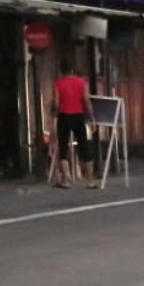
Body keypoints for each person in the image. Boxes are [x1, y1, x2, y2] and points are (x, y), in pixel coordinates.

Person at [51, 60, 97, 189]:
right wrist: (92, 118)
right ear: (72, 70)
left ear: (61, 70)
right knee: (84, 147)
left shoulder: (58, 84)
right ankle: (90, 181)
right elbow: (87, 101)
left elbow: (56, 103)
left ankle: (66, 179)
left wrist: (53, 116)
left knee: (63, 147)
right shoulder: (82, 83)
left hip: (64, 116)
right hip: (78, 116)